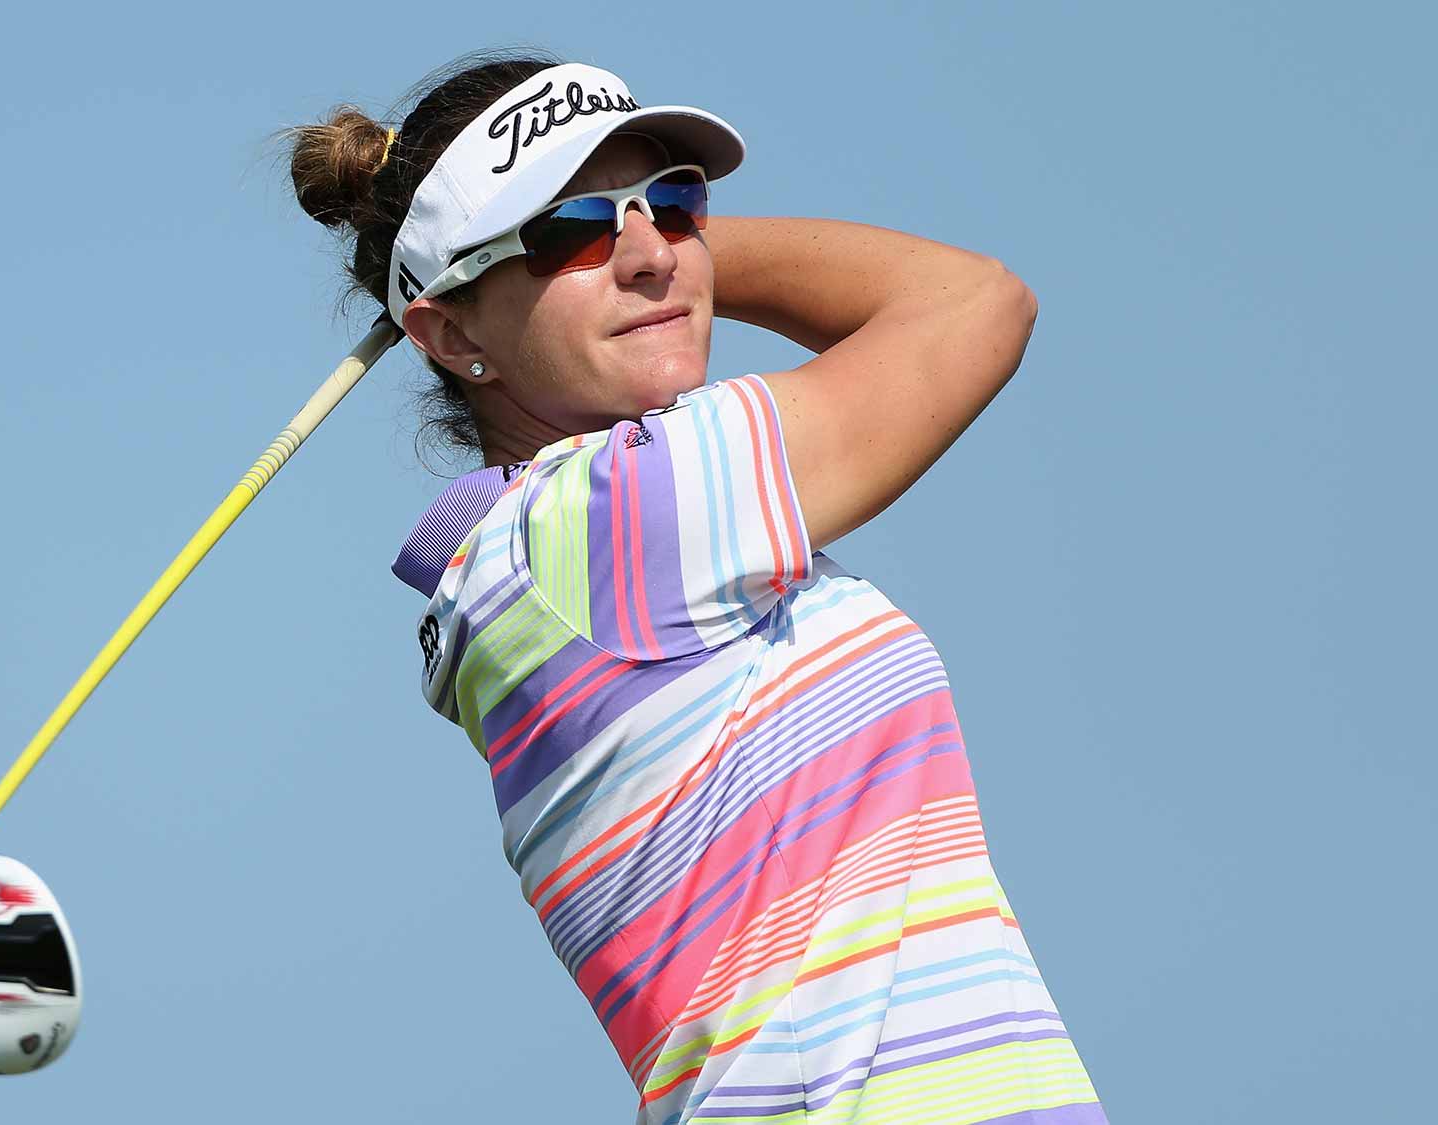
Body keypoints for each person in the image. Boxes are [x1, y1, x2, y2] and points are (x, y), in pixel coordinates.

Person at [285, 51, 1106, 1125]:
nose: (646, 253)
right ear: (448, 332)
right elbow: (969, 302)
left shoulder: (545, 553)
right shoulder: (617, 514)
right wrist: (685, 256)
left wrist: (643, 249)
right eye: (568, 229)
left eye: (671, 205)